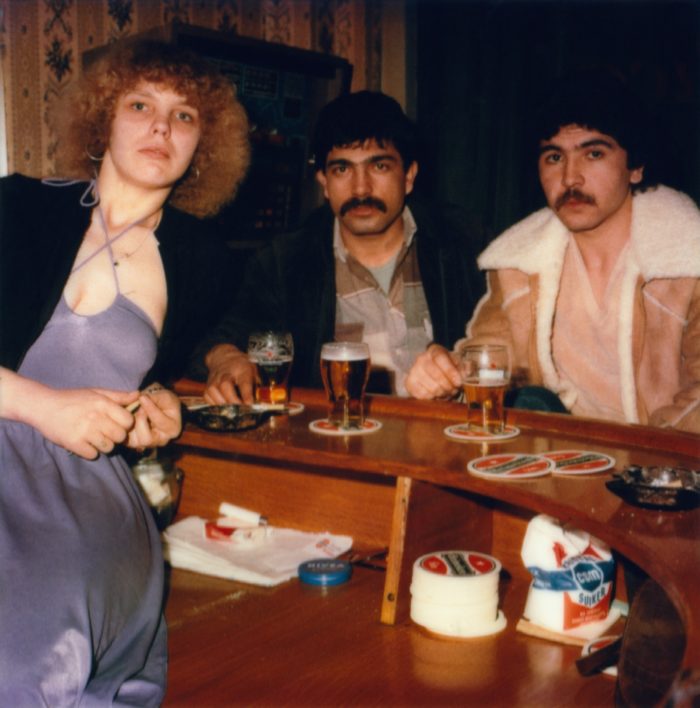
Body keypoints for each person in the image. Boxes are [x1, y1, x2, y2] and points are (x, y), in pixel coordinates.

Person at [0, 40, 249, 702]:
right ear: (102, 117)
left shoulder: (203, 261)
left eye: (184, 115)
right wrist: (39, 404)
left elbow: (166, 373)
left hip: (85, 497)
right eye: (140, 105)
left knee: (32, 664)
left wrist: (158, 405)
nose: (161, 128)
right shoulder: (16, 208)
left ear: (204, 144)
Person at [405, 71, 700, 432]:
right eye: (554, 157)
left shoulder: (688, 258)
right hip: (554, 457)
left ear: (635, 167)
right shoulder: (518, 264)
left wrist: (644, 457)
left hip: (663, 459)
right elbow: (485, 361)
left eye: (594, 154)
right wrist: (443, 377)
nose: (570, 178)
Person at [197, 90, 485, 402]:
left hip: (445, 429)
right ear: (324, 181)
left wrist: (462, 368)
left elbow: (506, 348)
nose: (360, 189)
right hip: (333, 431)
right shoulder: (285, 260)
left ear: (409, 176)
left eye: (379, 166)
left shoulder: (464, 243)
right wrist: (226, 359)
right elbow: (223, 336)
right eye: (342, 169)